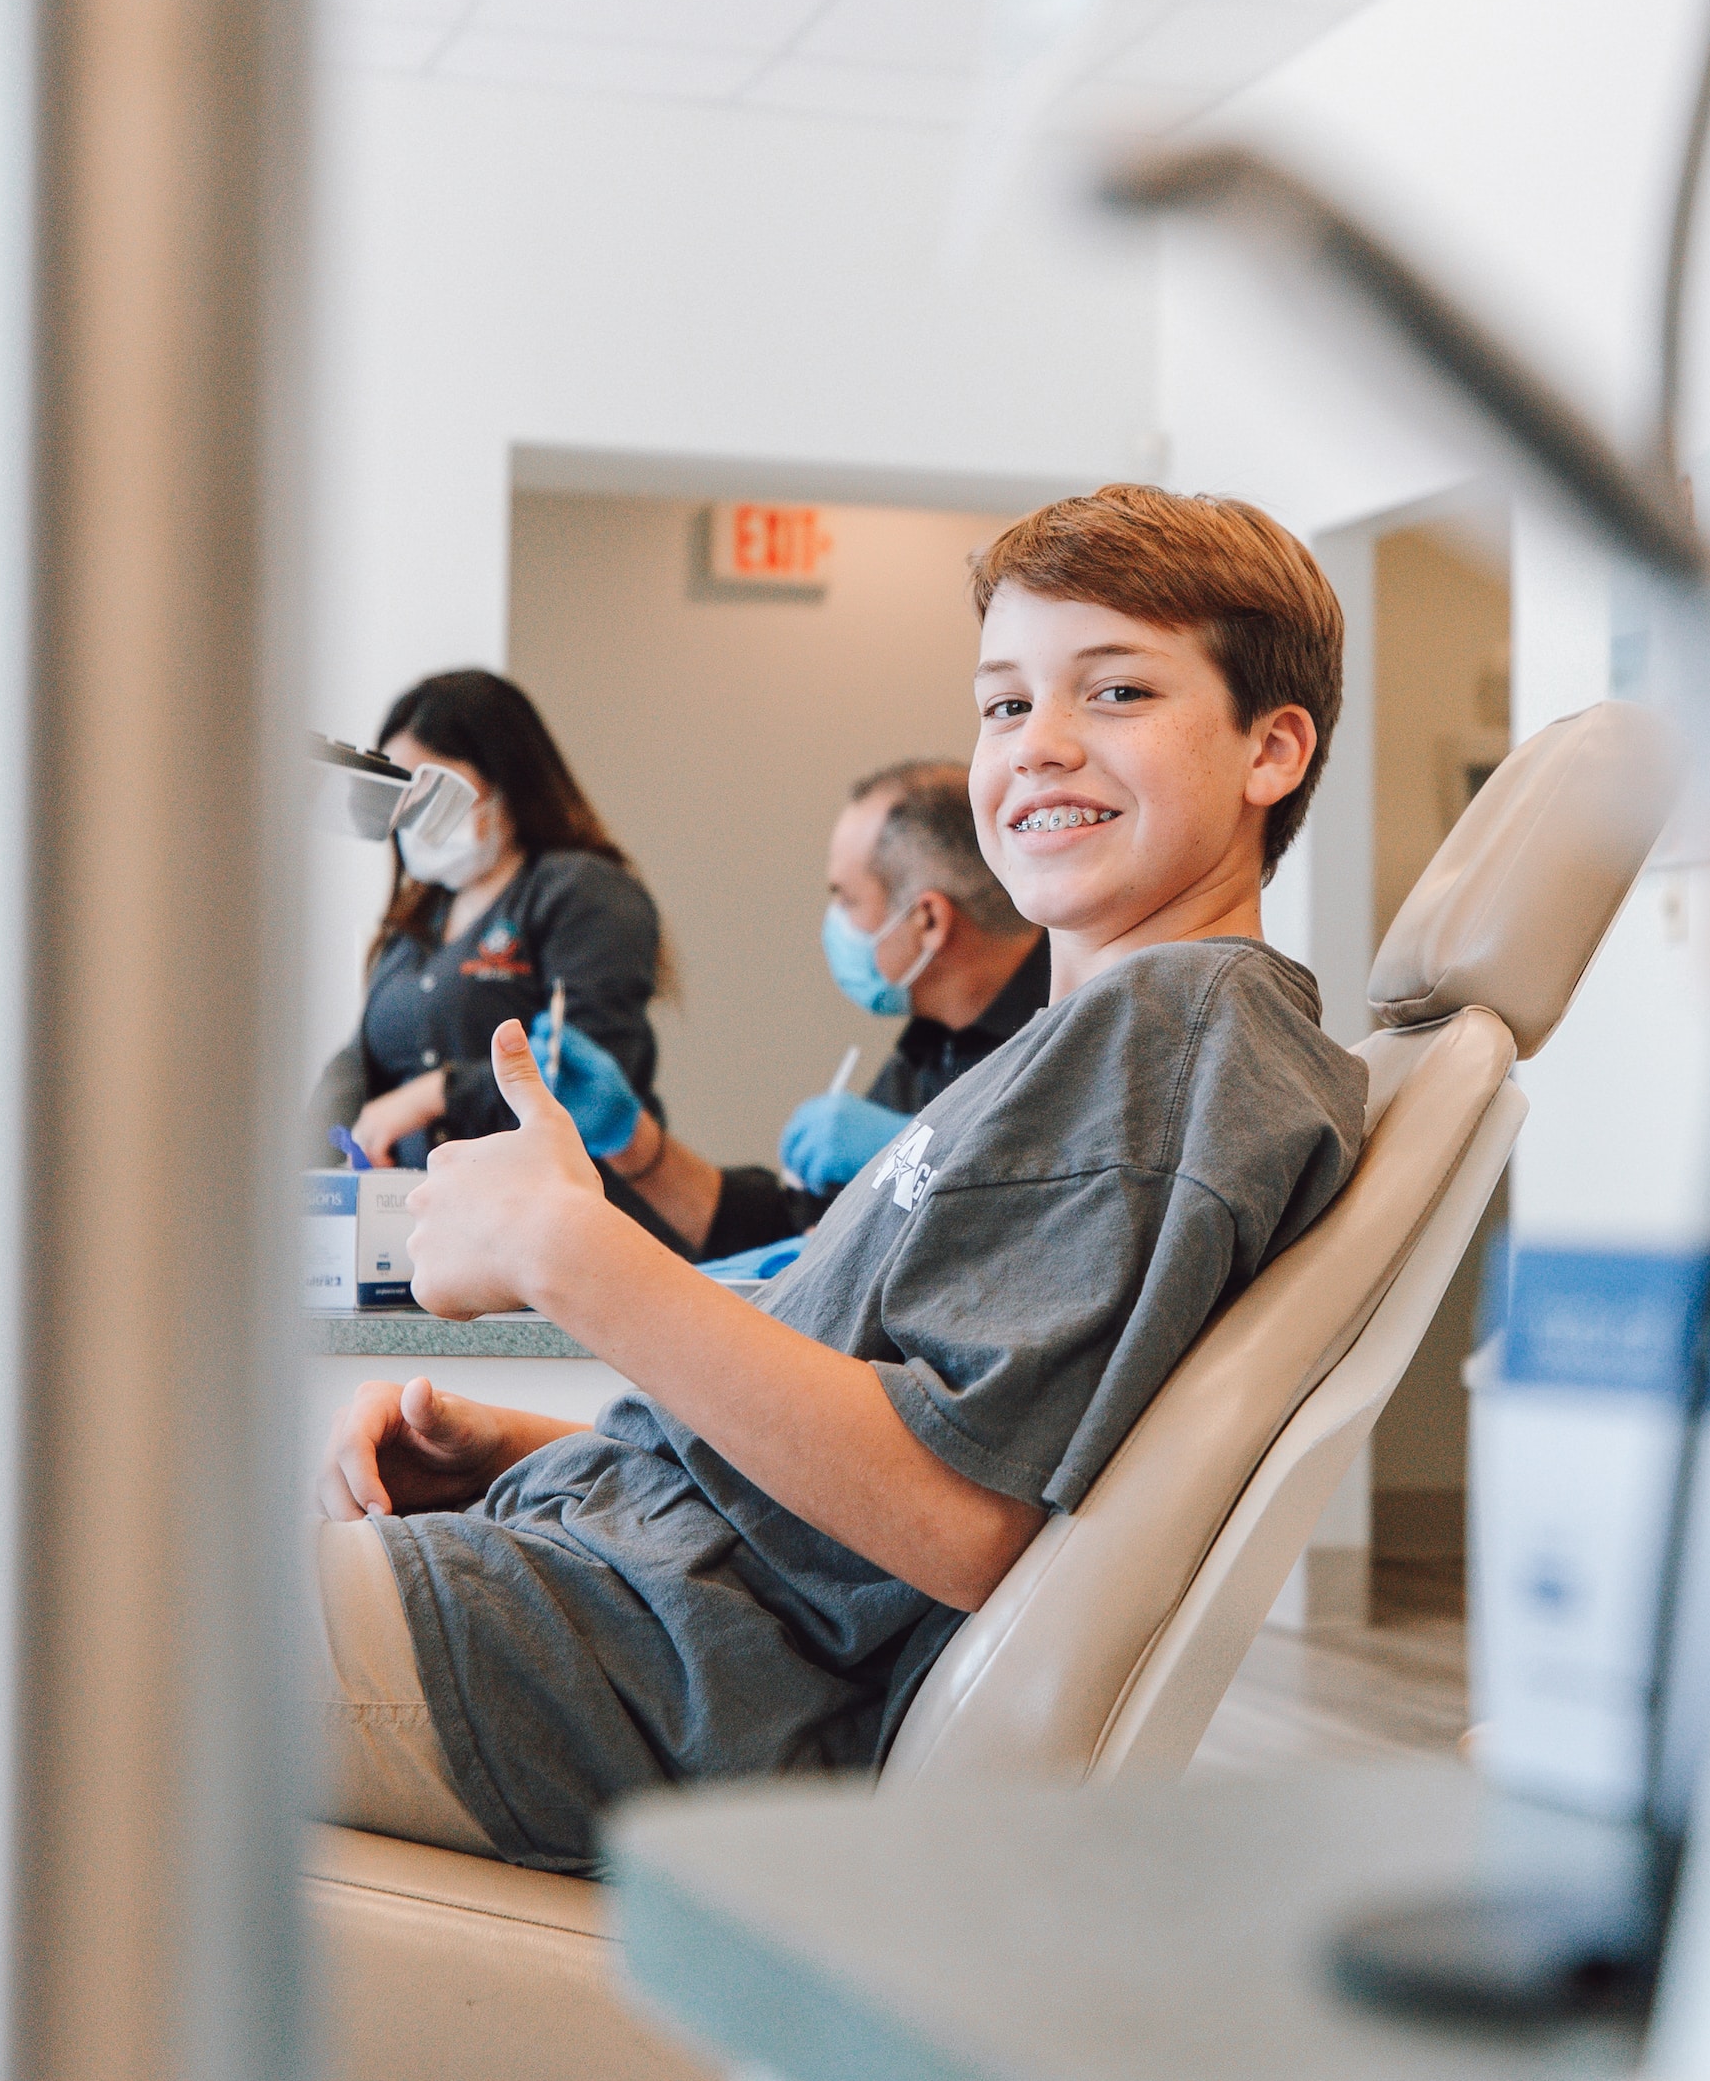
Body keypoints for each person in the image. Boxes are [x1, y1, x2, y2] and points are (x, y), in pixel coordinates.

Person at [313, 487, 1365, 1872]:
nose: (1040, 745)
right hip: (605, 1601)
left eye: (1114, 692)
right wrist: (529, 1447)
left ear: (1270, 749)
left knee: (25, 1625)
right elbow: (849, 1474)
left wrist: (570, 1253)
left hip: (642, 1676)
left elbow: (957, 1521)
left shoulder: (1173, 1036)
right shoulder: (1079, 1051)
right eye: (1003, 706)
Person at [567, 760, 1049, 1263]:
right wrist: (632, 1142)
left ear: (926, 919)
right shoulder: (932, 1043)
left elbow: (1055, 1236)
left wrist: (920, 1154)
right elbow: (801, 1233)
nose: (832, 921)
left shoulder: (1069, 1037)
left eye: (845, 897)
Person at [307, 669, 696, 1254]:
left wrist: (436, 1091)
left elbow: (582, 1065)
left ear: (505, 778)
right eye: (401, 793)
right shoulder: (419, 921)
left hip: (568, 1238)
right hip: (436, 1240)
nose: (415, 814)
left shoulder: (581, 892)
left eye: (431, 787)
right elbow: (364, 1061)